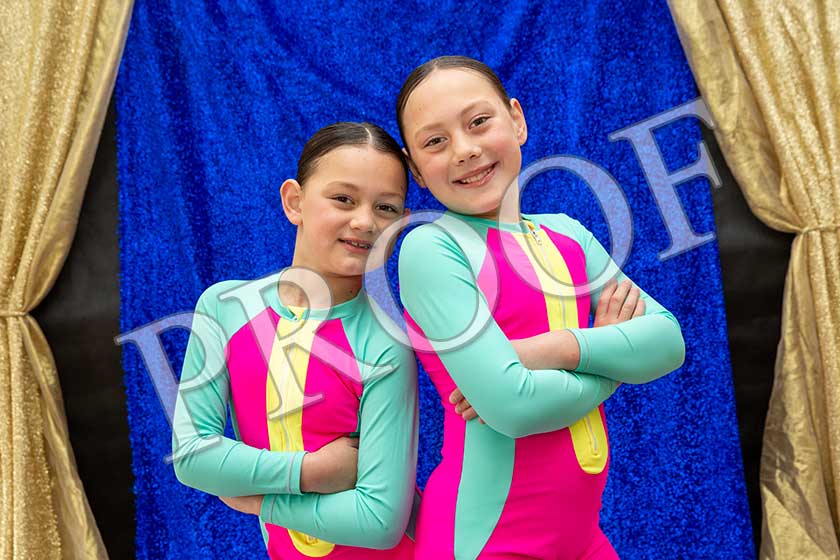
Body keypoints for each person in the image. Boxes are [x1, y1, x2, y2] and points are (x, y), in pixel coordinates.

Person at [395, 56, 685, 559]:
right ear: (416, 168)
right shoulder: (432, 249)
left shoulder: (566, 232)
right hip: (485, 542)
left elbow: (667, 342)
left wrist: (543, 350)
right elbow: (514, 407)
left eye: (478, 122)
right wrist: (615, 363)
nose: (464, 150)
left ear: (517, 120)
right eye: (435, 141)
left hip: (582, 540)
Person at [171, 122, 418, 559]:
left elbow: (380, 523)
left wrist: (260, 502)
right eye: (343, 199)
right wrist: (310, 471)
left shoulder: (387, 345)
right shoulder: (226, 308)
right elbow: (191, 455)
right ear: (294, 201)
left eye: (386, 208)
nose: (365, 221)